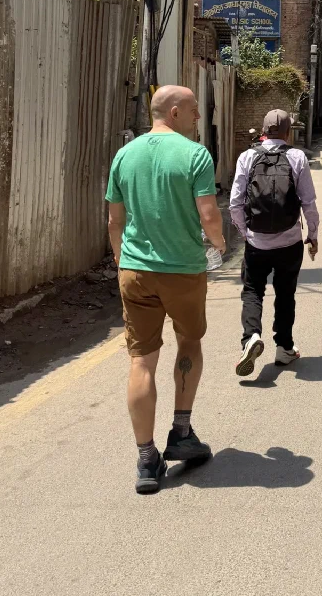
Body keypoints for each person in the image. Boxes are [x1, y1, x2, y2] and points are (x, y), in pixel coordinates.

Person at [106, 85, 225, 495]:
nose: (197, 118)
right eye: (193, 111)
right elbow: (209, 215)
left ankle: (146, 459)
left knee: (141, 360)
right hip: (183, 273)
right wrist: (222, 244)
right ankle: (182, 432)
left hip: (135, 271)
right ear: (174, 112)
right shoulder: (195, 155)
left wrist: (124, 263)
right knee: (189, 343)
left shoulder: (125, 155)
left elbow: (114, 222)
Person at [230, 109, 319, 377]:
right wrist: (312, 235)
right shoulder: (296, 157)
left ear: (263, 130)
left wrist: (246, 233)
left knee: (252, 290)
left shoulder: (248, 156)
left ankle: (251, 337)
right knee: (285, 294)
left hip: (257, 243)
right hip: (289, 241)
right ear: (288, 132)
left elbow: (235, 203)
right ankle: (284, 348)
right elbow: (309, 202)